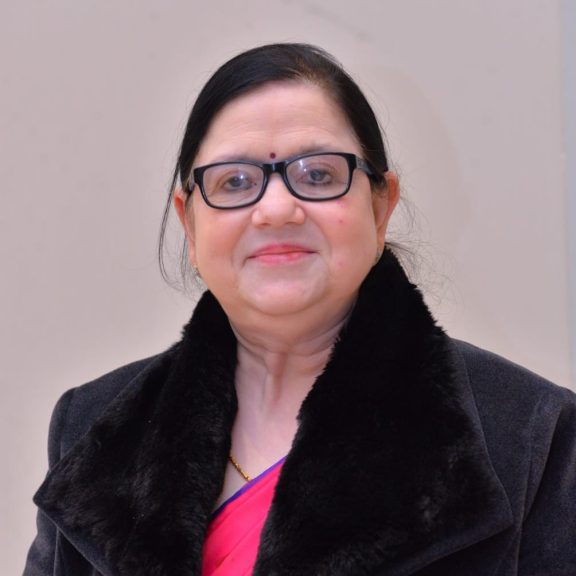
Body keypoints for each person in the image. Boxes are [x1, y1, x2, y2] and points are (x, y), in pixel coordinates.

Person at [24, 43, 576, 576]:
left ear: (380, 208)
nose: (276, 209)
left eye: (318, 175)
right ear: (189, 224)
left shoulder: (529, 436)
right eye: (234, 181)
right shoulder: (93, 429)